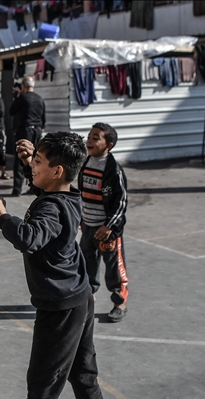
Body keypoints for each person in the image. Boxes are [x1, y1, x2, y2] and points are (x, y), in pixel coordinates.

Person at [0, 132, 113, 399]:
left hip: (60, 306)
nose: (32, 167)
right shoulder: (69, 195)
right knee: (82, 366)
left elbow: (29, 237)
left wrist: (2, 214)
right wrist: (31, 159)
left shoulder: (51, 208)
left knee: (44, 376)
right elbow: (47, 189)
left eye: (38, 162)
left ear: (57, 171)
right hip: (80, 297)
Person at [79, 123, 129, 322]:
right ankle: (88, 297)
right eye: (89, 136)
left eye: (96, 138)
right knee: (87, 263)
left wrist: (109, 226)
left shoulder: (113, 170)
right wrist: (81, 218)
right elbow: (82, 194)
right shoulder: (86, 163)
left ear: (109, 145)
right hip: (88, 226)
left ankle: (119, 302)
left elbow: (121, 201)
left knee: (114, 267)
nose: (89, 141)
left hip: (106, 230)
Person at [9, 76, 46, 197]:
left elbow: (11, 111)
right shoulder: (40, 99)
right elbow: (43, 118)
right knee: (36, 158)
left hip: (26, 130)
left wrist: (17, 96)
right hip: (37, 130)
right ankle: (34, 186)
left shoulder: (22, 98)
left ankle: (17, 189)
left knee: (22, 156)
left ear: (23, 86)